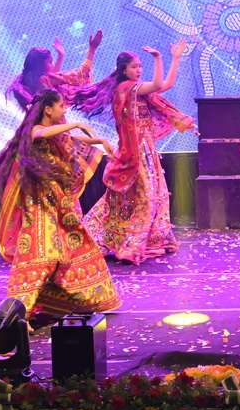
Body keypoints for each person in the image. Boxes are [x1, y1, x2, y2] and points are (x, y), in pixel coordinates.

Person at [0, 90, 121, 323]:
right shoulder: (34, 131)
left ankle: (64, 300)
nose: (64, 110)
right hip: (39, 203)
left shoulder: (56, 133)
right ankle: (20, 310)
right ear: (48, 109)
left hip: (58, 203)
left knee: (70, 248)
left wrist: (100, 141)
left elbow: (72, 140)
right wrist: (76, 124)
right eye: (61, 106)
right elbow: (41, 132)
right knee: (41, 252)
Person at [74, 41, 193, 264]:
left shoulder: (138, 90)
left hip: (146, 150)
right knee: (145, 196)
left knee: (146, 195)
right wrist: (158, 58)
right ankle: (131, 244)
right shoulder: (126, 88)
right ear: (124, 70)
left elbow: (165, 85)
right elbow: (157, 84)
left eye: (140, 66)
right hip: (134, 152)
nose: (138, 70)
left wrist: (176, 58)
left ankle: (144, 239)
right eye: (134, 67)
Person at [7, 29, 104, 109]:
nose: (52, 65)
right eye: (50, 62)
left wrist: (61, 56)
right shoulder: (44, 85)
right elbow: (80, 77)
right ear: (40, 67)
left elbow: (54, 76)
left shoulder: (29, 80)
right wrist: (92, 49)